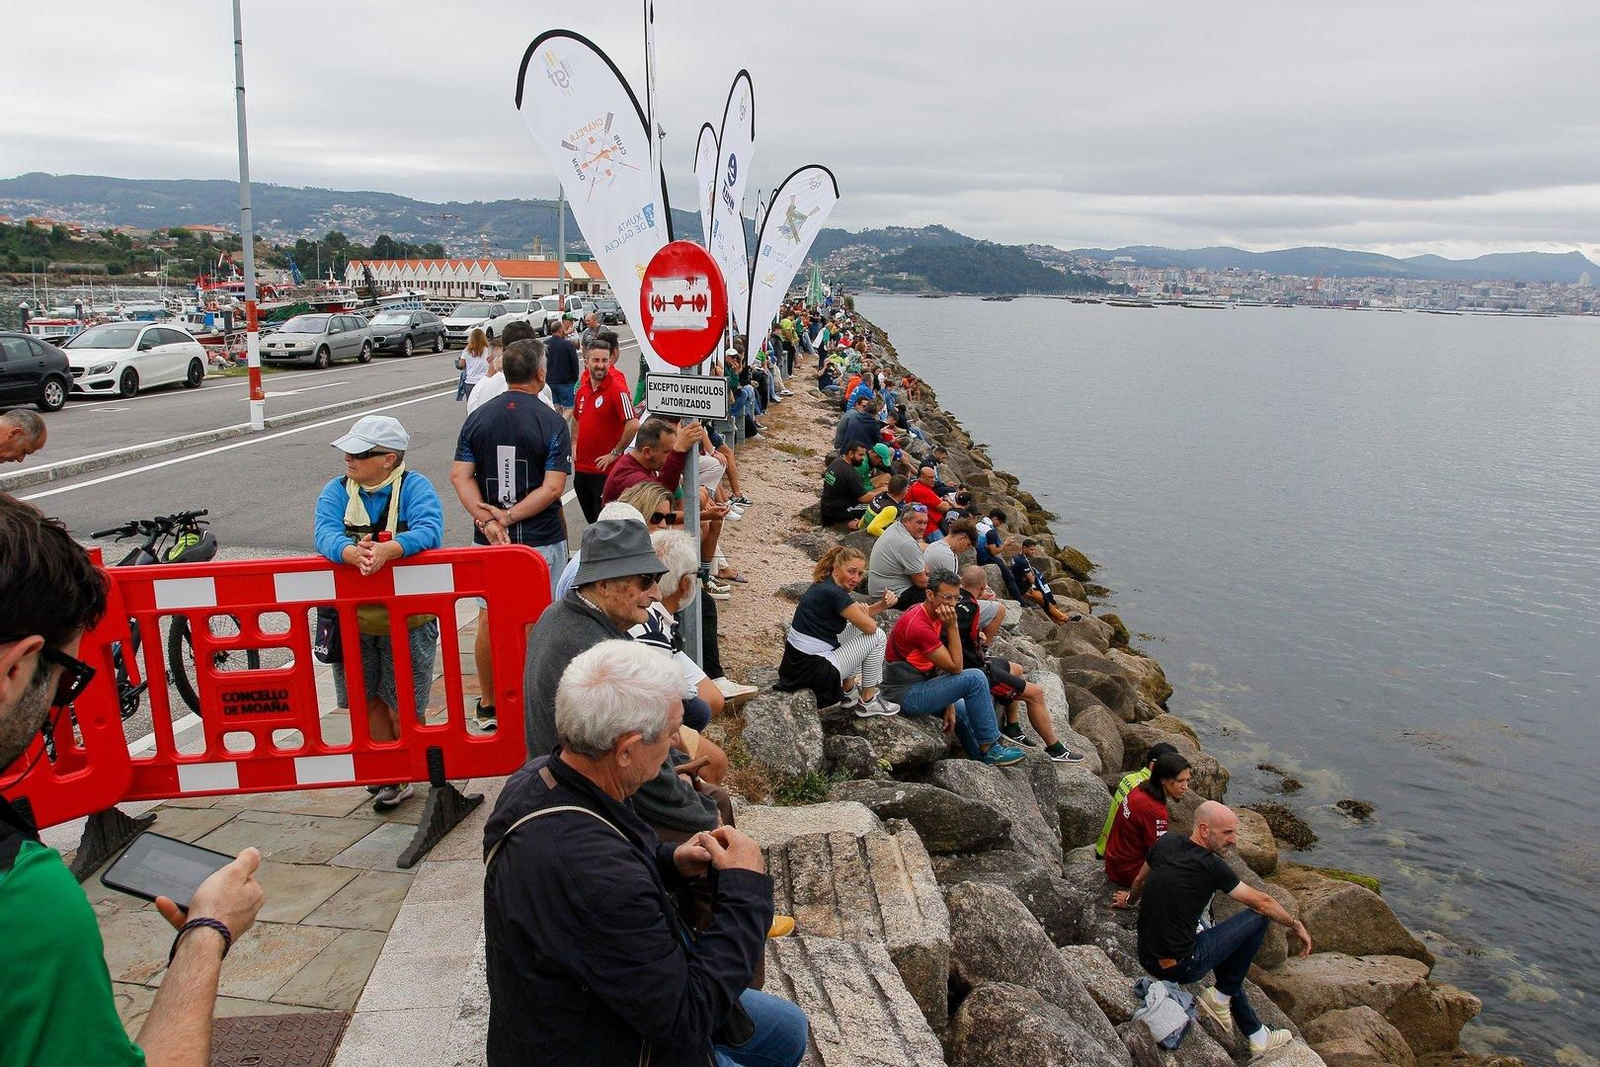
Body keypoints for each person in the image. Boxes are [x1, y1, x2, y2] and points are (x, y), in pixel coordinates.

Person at [0, 495, 267, 1065]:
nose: (59, 701)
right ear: (16, 669)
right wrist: (208, 932)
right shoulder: (24, 902)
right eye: (68, 676)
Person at [483, 641, 808, 1066]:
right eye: (672, 730)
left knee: (786, 1028)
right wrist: (746, 888)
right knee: (770, 1035)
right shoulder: (599, 879)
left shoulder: (539, 779)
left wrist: (670, 861)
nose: (678, 743)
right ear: (626, 749)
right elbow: (688, 1017)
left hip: (560, 1007)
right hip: (596, 1044)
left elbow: (600, 874)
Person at [315, 415, 445, 808]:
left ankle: (406, 768)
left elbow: (430, 530)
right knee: (364, 697)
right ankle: (387, 771)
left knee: (402, 701)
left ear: (389, 459)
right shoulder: (337, 490)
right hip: (353, 621)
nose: (348, 459)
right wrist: (348, 551)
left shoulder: (415, 487)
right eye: (347, 452)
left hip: (408, 620)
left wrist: (391, 549)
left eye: (359, 453)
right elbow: (323, 532)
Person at [1114, 801, 1307, 1056]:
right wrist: (1295, 924)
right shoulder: (1212, 867)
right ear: (1204, 830)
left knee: (1216, 935)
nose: (1234, 840)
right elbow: (1263, 903)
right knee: (1258, 919)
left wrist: (1129, 901)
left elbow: (1140, 880)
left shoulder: (1167, 842)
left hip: (1146, 953)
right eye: (1227, 833)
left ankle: (1256, 1033)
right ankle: (1223, 997)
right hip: (1181, 964)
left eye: (1234, 832)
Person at [451, 338, 572, 587]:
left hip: (489, 538)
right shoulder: (553, 423)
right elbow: (552, 488)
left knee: (492, 614)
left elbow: (459, 476)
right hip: (540, 539)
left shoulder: (477, 418)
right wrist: (507, 517)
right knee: (541, 616)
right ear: (540, 373)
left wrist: (489, 521)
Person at [881, 568, 1025, 766]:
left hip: (920, 681)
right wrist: (953, 626)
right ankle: (991, 747)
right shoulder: (919, 625)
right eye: (946, 597)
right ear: (930, 595)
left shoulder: (932, 614)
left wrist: (948, 701)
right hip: (905, 694)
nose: (951, 604)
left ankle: (982, 760)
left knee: (963, 711)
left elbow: (938, 664)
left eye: (956, 598)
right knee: (974, 678)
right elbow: (956, 667)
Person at [952, 568, 1084, 763]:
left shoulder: (960, 601)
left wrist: (975, 637)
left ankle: (1012, 726)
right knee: (1036, 694)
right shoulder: (970, 609)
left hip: (973, 661)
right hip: (974, 670)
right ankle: (1055, 748)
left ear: (961, 584)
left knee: (1017, 669)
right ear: (981, 588)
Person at [776, 544, 899, 716]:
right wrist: (865, 616)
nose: (856, 578)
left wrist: (882, 605)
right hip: (813, 671)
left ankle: (848, 693)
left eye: (860, 573)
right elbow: (869, 627)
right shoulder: (835, 594)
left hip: (796, 667)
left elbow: (857, 616)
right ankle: (868, 701)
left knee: (855, 629)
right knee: (877, 635)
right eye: (851, 571)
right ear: (836, 568)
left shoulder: (825, 586)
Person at [572, 338, 640, 523]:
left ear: (610, 361)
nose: (600, 365)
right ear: (586, 362)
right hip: (582, 470)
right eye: (596, 360)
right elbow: (577, 419)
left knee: (605, 525)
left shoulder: (617, 390)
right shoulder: (582, 391)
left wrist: (614, 453)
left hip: (606, 472)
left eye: (604, 361)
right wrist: (574, 443)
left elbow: (633, 423)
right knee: (592, 522)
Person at [1103, 751, 1191, 887]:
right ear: (1162, 779)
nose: (1185, 787)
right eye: (1180, 781)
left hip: (1114, 859)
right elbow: (1158, 855)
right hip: (1127, 872)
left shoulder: (1141, 788)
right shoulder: (1155, 811)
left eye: (1187, 780)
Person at [1096, 743, 1181, 860]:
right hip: (1116, 857)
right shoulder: (1147, 793)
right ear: (1153, 766)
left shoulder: (1129, 779)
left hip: (1103, 846)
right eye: (1171, 768)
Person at [600, 417, 706, 506]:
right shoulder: (631, 477)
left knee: (701, 497)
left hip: (642, 522)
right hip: (627, 528)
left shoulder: (641, 464)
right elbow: (659, 501)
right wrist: (678, 451)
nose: (670, 457)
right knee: (694, 526)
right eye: (667, 452)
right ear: (647, 452)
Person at [469, 320, 554, 412]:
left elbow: (473, 420)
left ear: (504, 348)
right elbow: (553, 422)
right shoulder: (540, 388)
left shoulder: (481, 388)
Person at [867, 503, 930, 609]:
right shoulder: (907, 543)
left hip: (880, 590)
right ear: (905, 521)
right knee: (939, 596)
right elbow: (921, 582)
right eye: (919, 522)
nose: (922, 527)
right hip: (890, 597)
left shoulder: (896, 527)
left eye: (925, 523)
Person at [1011, 538, 1070, 624]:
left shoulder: (1016, 557)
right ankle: (1063, 617)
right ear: (1024, 548)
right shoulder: (1023, 561)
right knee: (1045, 600)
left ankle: (1057, 620)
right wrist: (1032, 577)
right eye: (1031, 549)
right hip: (1023, 588)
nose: (1033, 552)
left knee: (1044, 601)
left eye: (1034, 550)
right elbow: (1031, 580)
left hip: (1018, 584)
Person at [820, 442, 876, 528]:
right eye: (860, 455)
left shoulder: (837, 461)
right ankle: (859, 525)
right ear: (850, 454)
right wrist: (883, 494)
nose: (863, 458)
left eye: (864, 455)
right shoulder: (851, 473)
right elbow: (863, 498)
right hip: (838, 512)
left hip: (827, 505)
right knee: (874, 507)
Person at [974, 509, 1024, 601]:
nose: (999, 525)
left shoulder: (979, 524)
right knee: (1010, 577)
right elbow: (994, 552)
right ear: (995, 519)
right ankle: (1020, 600)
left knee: (1002, 563)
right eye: (1000, 522)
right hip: (985, 558)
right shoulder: (990, 532)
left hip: (976, 554)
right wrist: (1005, 543)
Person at [544, 315, 582, 412]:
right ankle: (564, 424)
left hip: (549, 381)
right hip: (566, 382)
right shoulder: (568, 345)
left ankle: (557, 423)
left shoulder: (545, 344)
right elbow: (574, 364)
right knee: (569, 408)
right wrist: (575, 379)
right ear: (561, 330)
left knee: (554, 407)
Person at [456, 327, 491, 401]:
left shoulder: (467, 350)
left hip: (470, 381)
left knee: (471, 404)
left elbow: (461, 364)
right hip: (484, 381)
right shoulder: (487, 350)